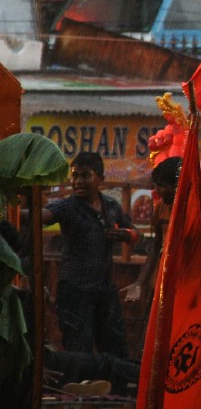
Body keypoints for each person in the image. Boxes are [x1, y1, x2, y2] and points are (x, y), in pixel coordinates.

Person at [44, 152, 139, 358]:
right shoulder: (67, 206)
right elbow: (42, 215)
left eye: (85, 175)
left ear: (101, 179)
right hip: (74, 290)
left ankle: (114, 390)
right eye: (74, 175)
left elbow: (135, 234)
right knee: (79, 350)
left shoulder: (111, 207)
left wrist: (124, 234)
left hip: (104, 289)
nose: (78, 181)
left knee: (116, 349)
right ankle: (80, 390)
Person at [123, 157, 201, 304]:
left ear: (179, 185)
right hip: (163, 285)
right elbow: (156, 250)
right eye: (156, 185)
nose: (157, 191)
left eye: (161, 186)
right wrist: (139, 283)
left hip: (194, 287)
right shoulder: (161, 209)